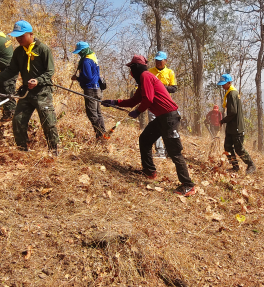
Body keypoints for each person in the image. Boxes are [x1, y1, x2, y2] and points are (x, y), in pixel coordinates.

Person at [102, 54, 195, 196]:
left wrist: (137, 112)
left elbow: (148, 100)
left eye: (131, 68)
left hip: (169, 117)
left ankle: (188, 185)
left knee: (174, 152)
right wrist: (113, 102)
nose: (130, 72)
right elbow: (133, 101)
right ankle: (149, 171)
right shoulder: (143, 81)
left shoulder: (146, 76)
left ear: (136, 67)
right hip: (161, 117)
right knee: (145, 139)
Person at [0, 21, 59, 154]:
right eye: (16, 36)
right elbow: (11, 71)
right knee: (17, 120)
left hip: (42, 92)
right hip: (26, 93)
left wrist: (38, 80)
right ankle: (22, 150)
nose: (18, 39)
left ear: (31, 34)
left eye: (21, 36)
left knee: (48, 121)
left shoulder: (43, 50)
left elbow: (50, 71)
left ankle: (54, 151)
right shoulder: (18, 51)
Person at [217, 73, 256, 174]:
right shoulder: (229, 93)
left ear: (229, 83)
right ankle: (235, 167)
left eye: (224, 84)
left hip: (237, 127)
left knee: (239, 148)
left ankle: (251, 164)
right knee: (228, 146)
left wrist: (223, 120)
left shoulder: (232, 94)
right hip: (231, 126)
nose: (222, 86)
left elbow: (233, 112)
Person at [71, 41, 106, 140]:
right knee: (98, 113)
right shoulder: (93, 59)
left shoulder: (86, 61)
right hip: (97, 89)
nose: (79, 54)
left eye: (80, 52)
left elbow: (88, 77)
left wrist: (77, 78)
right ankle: (103, 134)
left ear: (83, 51)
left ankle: (100, 136)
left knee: (92, 114)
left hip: (90, 89)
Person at [148, 51, 177, 158]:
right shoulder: (150, 71)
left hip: (166, 105)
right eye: (156, 60)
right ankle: (159, 151)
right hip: (153, 103)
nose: (158, 62)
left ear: (166, 61)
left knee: (167, 127)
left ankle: (169, 151)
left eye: (160, 61)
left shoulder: (170, 72)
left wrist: (161, 87)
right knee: (154, 126)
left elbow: (174, 88)